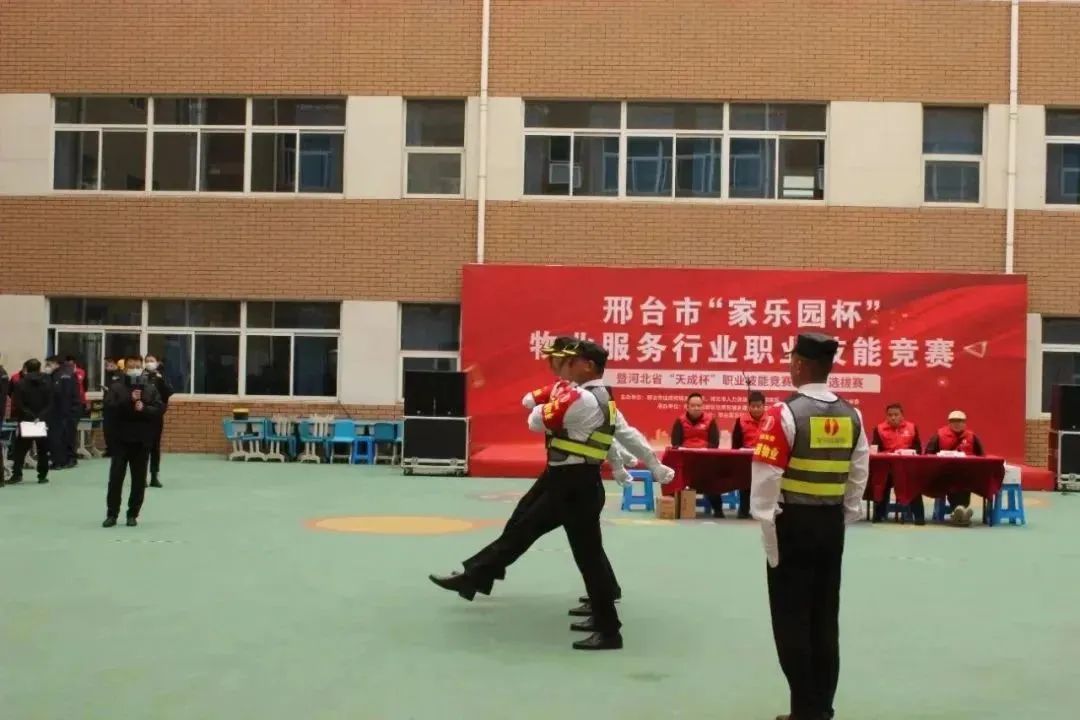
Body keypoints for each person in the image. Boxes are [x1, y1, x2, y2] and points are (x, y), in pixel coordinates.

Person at [430, 337, 673, 627]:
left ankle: (476, 576)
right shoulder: (587, 395)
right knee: (543, 530)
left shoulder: (582, 398)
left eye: (569, 360)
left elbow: (540, 421)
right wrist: (647, 464)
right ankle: (482, 576)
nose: (559, 364)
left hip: (573, 481)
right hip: (564, 475)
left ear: (587, 366)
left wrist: (648, 464)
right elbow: (611, 435)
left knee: (527, 531)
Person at [750, 333, 870, 720]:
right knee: (824, 618)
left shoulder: (783, 414)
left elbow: (765, 480)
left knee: (791, 620)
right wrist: (842, 515)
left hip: (793, 526)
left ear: (800, 364)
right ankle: (820, 707)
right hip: (831, 525)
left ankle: (804, 709)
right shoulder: (853, 415)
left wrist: (769, 535)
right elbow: (859, 474)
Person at [103, 354, 162, 528]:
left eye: (137, 366)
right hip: (120, 440)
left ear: (142, 367)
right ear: (125, 368)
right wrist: (128, 400)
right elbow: (110, 408)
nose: (134, 369)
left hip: (142, 441)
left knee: (138, 480)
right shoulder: (116, 387)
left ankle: (132, 514)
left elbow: (158, 409)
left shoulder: (150, 388)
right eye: (131, 366)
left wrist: (144, 408)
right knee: (115, 479)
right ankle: (112, 514)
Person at [924, 410, 986, 527]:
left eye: (960, 421)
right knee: (954, 480)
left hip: (966, 473)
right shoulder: (938, 435)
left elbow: (981, 457)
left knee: (964, 480)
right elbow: (928, 454)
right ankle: (961, 510)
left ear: (965, 423)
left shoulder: (972, 437)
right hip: (943, 473)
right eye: (953, 421)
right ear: (949, 422)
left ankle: (959, 511)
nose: (957, 423)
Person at [669, 392, 724, 516]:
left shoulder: (710, 420)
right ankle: (674, 508)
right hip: (686, 461)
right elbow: (675, 443)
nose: (696, 408)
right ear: (687, 407)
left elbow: (714, 443)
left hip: (705, 461)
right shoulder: (680, 421)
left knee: (713, 479)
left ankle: (718, 511)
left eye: (699, 405)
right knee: (674, 476)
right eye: (693, 405)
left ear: (702, 406)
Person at [870, 402, 924, 524]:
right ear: (886, 416)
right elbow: (875, 449)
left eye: (896, 414)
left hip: (906, 468)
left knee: (914, 483)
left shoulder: (912, 428)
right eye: (890, 415)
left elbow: (918, 449)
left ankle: (919, 517)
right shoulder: (879, 429)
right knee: (880, 481)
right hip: (887, 468)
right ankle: (879, 516)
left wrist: (907, 453)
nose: (893, 417)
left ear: (902, 415)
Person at [8, 359, 53, 485]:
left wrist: (30, 415)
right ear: (39, 368)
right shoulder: (47, 382)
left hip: (26, 420)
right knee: (42, 449)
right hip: (41, 421)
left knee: (20, 449)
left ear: (26, 369)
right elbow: (50, 402)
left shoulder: (20, 383)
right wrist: (40, 416)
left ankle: (17, 474)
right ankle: (42, 475)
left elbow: (18, 403)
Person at [729, 390, 768, 519]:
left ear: (764, 406)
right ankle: (744, 510)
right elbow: (736, 444)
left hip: (765, 458)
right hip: (746, 459)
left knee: (764, 486)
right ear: (749, 406)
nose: (756, 409)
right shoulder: (740, 421)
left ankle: (761, 511)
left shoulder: (771, 420)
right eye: (753, 406)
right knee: (745, 483)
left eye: (759, 406)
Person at [143, 354, 174, 488]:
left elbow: (169, 392)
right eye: (147, 361)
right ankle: (142, 476)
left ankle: (154, 476)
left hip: (156, 417)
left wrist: (161, 380)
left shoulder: (161, 377)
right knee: (143, 448)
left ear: (157, 363)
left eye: (152, 361)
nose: (149, 363)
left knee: (155, 448)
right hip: (143, 416)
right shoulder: (140, 376)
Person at [45, 355, 79, 470]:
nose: (47, 367)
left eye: (49, 364)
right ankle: (62, 460)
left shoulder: (64, 375)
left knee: (64, 437)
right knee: (62, 437)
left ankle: (65, 460)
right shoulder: (58, 374)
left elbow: (64, 395)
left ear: (56, 363)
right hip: (62, 411)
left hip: (64, 411)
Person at [101, 357, 124, 457]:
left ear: (114, 364)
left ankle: (116, 449)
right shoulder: (106, 375)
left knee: (115, 429)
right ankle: (109, 449)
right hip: (107, 404)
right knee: (107, 428)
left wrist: (110, 390)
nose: (107, 367)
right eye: (106, 365)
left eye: (109, 364)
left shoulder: (120, 374)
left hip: (116, 406)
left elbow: (121, 390)